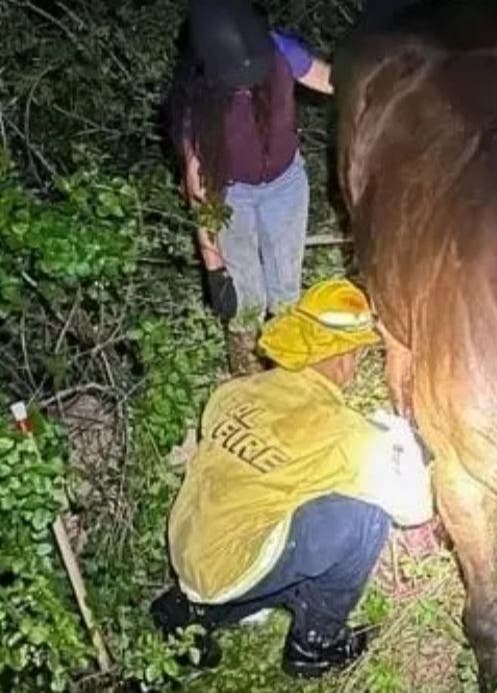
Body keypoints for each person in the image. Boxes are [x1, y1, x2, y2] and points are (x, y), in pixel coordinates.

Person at [150, 278, 434, 679]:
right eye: (357, 354)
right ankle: (315, 645)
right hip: (232, 564)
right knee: (362, 519)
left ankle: (191, 609)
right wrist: (401, 441)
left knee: (282, 502)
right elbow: (416, 510)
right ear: (344, 358)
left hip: (187, 544)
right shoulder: (343, 432)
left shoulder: (234, 392)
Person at [167, 0, 334, 374]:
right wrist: (214, 265)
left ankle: (287, 371)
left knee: (286, 290)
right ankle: (247, 378)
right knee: (245, 299)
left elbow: (329, 79)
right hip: (232, 195)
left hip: (286, 184)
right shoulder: (196, 98)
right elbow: (198, 187)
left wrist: (379, 79)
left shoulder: (280, 50)